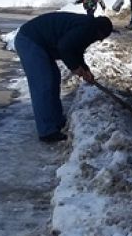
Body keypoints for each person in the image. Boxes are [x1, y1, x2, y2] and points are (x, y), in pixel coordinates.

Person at [13, 12, 113, 142]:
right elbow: (64, 47)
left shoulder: (88, 29)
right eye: (101, 37)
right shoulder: (87, 28)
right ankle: (47, 131)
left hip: (41, 44)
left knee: (53, 79)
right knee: (43, 84)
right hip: (30, 40)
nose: (99, 40)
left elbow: (76, 50)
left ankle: (57, 120)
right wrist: (75, 67)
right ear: (99, 31)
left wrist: (85, 69)